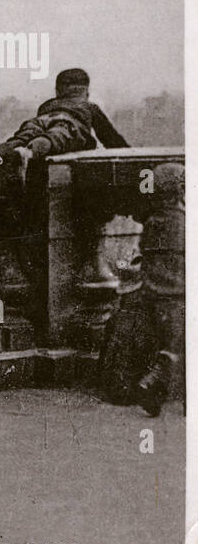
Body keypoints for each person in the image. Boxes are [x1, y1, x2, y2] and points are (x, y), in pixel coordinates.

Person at [98, 162, 184, 416]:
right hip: (170, 296)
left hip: (148, 294)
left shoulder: (155, 220)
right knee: (178, 337)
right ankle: (156, 377)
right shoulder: (179, 221)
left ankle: (154, 383)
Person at [0, 68, 129, 184]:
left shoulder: (47, 105)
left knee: (26, 133)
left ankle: (6, 150)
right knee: (56, 136)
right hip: (69, 123)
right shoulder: (89, 107)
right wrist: (129, 153)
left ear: (57, 91)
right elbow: (110, 137)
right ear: (86, 93)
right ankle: (29, 152)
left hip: (40, 119)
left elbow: (43, 120)